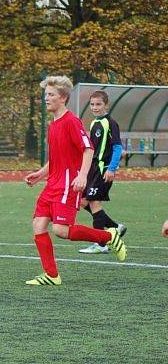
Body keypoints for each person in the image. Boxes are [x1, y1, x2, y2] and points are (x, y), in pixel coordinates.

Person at [23, 76, 127, 286]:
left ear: (63, 98)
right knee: (38, 225)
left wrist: (82, 176)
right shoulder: (53, 125)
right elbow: (57, 159)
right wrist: (39, 174)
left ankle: (108, 237)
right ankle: (52, 275)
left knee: (60, 230)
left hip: (67, 184)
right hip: (52, 183)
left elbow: (87, 148)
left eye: (50, 95)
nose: (46, 99)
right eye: (46, 95)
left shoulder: (71, 121)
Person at [78, 90, 126, 254]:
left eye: (98, 104)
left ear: (106, 105)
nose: (95, 107)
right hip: (92, 169)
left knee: (94, 202)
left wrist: (111, 168)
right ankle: (114, 227)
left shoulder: (110, 123)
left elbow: (118, 147)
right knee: (82, 201)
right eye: (92, 104)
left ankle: (101, 244)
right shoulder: (94, 123)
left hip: (103, 169)